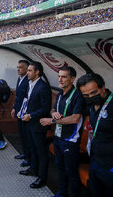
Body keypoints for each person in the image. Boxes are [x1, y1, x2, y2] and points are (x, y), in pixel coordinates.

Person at [40, 66, 84, 197]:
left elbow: (75, 118)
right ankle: (62, 192)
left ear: (72, 79)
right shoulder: (60, 94)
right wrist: (54, 114)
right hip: (58, 137)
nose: (60, 79)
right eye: (59, 76)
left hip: (70, 140)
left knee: (71, 171)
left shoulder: (78, 96)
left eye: (64, 77)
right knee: (60, 168)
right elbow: (53, 110)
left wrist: (52, 121)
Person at [77, 73, 113, 197]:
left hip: (110, 166)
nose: (90, 97)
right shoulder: (91, 105)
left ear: (102, 88)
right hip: (95, 160)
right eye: (85, 95)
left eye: (93, 92)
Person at [19, 61, 51, 189]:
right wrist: (22, 112)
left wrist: (31, 115)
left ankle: (42, 178)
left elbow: (45, 108)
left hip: (38, 125)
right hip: (29, 123)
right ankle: (33, 168)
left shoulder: (43, 87)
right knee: (32, 147)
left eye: (30, 70)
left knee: (41, 152)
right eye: (28, 70)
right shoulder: (30, 84)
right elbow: (27, 101)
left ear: (37, 72)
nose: (27, 72)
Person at [11, 60, 30, 167]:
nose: (18, 69)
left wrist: (23, 111)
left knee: (26, 135)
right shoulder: (20, 79)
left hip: (25, 112)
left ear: (27, 69)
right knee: (22, 134)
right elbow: (18, 96)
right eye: (17, 67)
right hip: (19, 110)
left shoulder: (28, 80)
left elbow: (27, 98)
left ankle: (28, 157)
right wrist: (14, 108)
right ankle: (24, 153)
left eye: (21, 67)